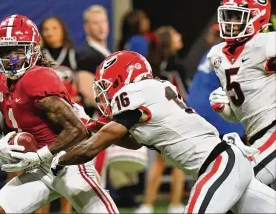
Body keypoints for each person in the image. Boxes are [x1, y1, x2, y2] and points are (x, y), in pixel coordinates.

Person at [51, 50, 276, 213]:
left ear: (124, 79)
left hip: (219, 166)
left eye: (108, 86)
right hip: (229, 162)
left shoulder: (136, 92)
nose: (107, 95)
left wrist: (59, 160)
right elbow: (134, 142)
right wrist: (94, 125)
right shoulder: (152, 92)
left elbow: (94, 147)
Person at [0, 14, 119, 214]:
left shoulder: (38, 79)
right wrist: (3, 144)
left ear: (33, 50)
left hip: (69, 160)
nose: (11, 58)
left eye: (18, 51)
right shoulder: (1, 81)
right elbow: (12, 124)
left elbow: (77, 130)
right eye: (5, 51)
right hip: (38, 168)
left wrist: (39, 155)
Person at [208, 0, 276, 186]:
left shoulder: (265, 43)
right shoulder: (217, 55)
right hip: (255, 135)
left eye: (237, 16)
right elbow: (240, 114)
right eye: (228, 15)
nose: (231, 22)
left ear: (258, 17)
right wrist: (224, 109)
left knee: (238, 187)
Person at [135, 26, 187, 214]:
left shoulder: (152, 64)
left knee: (158, 161)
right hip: (176, 116)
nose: (180, 36)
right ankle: (174, 204)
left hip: (157, 116)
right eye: (176, 34)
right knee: (178, 163)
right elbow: (183, 92)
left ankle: (147, 205)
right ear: (168, 41)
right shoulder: (175, 64)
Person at [188, 24, 245, 140]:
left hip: (194, 112)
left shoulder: (211, 52)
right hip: (214, 117)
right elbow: (233, 89)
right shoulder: (228, 52)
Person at [77, 5, 111, 117]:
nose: (101, 27)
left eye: (103, 21)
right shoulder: (86, 55)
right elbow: (87, 92)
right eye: (95, 23)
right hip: (100, 117)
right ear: (86, 27)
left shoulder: (106, 52)